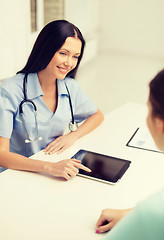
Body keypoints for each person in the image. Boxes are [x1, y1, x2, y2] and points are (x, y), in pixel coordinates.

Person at [0, 20, 104, 180]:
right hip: (15, 174)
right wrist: (48, 167)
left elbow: (97, 115)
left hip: (52, 168)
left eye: (75, 56)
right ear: (46, 49)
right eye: (63, 53)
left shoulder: (70, 87)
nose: (69, 63)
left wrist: (73, 135)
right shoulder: (10, 90)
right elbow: (1, 155)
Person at [95, 69, 164, 239]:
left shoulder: (151, 215)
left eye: (148, 110)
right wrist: (130, 214)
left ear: (160, 125)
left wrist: (139, 218)